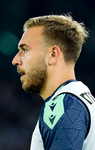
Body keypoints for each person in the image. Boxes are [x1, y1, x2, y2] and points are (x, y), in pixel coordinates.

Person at [12, 14, 95, 150]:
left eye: (24, 49)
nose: (15, 60)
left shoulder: (64, 105)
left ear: (53, 54)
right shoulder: (80, 99)